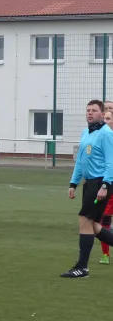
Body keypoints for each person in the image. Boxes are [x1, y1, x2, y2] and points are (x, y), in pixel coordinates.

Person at [61, 99, 113, 278]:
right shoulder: (85, 132)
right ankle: (82, 267)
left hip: (100, 183)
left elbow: (110, 162)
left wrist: (105, 185)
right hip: (89, 184)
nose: (90, 113)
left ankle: (82, 268)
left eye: (94, 110)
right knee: (93, 225)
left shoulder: (106, 134)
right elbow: (81, 161)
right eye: (88, 110)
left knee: (84, 220)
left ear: (101, 113)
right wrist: (73, 183)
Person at [99, 103, 113, 264]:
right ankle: (105, 254)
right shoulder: (100, 137)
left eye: (108, 119)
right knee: (105, 222)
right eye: (105, 118)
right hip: (108, 185)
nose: (106, 121)